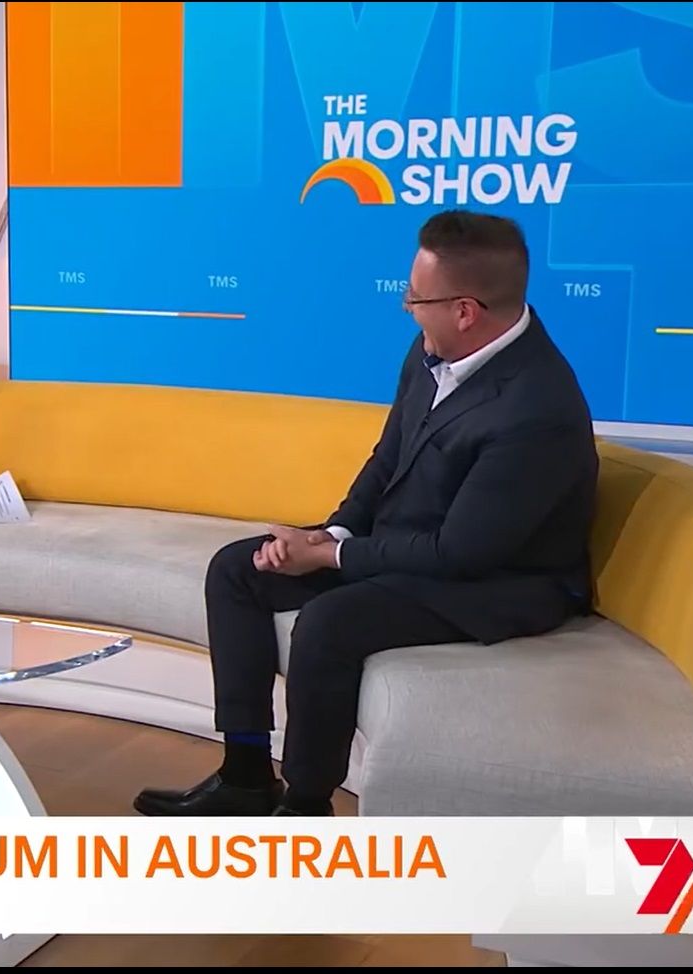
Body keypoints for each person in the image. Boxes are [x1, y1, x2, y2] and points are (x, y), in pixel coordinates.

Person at [134, 209, 598, 817]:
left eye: (416, 298)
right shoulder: (433, 350)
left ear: (465, 311)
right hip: (416, 547)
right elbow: (388, 458)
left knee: (331, 620)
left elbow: (462, 552)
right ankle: (245, 775)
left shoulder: (535, 407)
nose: (408, 307)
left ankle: (305, 806)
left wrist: (330, 557)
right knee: (238, 570)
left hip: (499, 582)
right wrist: (332, 532)